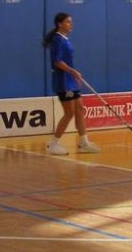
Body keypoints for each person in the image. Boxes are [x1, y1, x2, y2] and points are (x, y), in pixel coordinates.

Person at [43, 12, 100, 155]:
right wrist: (73, 72)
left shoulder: (64, 39)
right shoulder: (58, 40)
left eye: (71, 21)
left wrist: (74, 75)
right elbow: (57, 62)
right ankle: (53, 144)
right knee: (69, 113)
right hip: (63, 82)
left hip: (70, 81)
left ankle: (84, 143)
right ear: (59, 24)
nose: (71, 24)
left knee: (79, 110)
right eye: (68, 22)